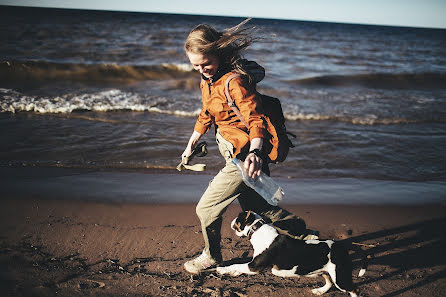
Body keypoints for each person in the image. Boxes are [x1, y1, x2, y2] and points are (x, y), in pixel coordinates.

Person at [182, 19, 314, 274]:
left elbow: (256, 120)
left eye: (205, 63)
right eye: (195, 66)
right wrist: (191, 143)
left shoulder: (234, 82)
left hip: (244, 158)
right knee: (259, 208)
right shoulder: (207, 80)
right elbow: (207, 112)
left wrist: (254, 152)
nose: (202, 70)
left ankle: (211, 257)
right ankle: (304, 235)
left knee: (206, 208)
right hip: (236, 155)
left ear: (217, 53)